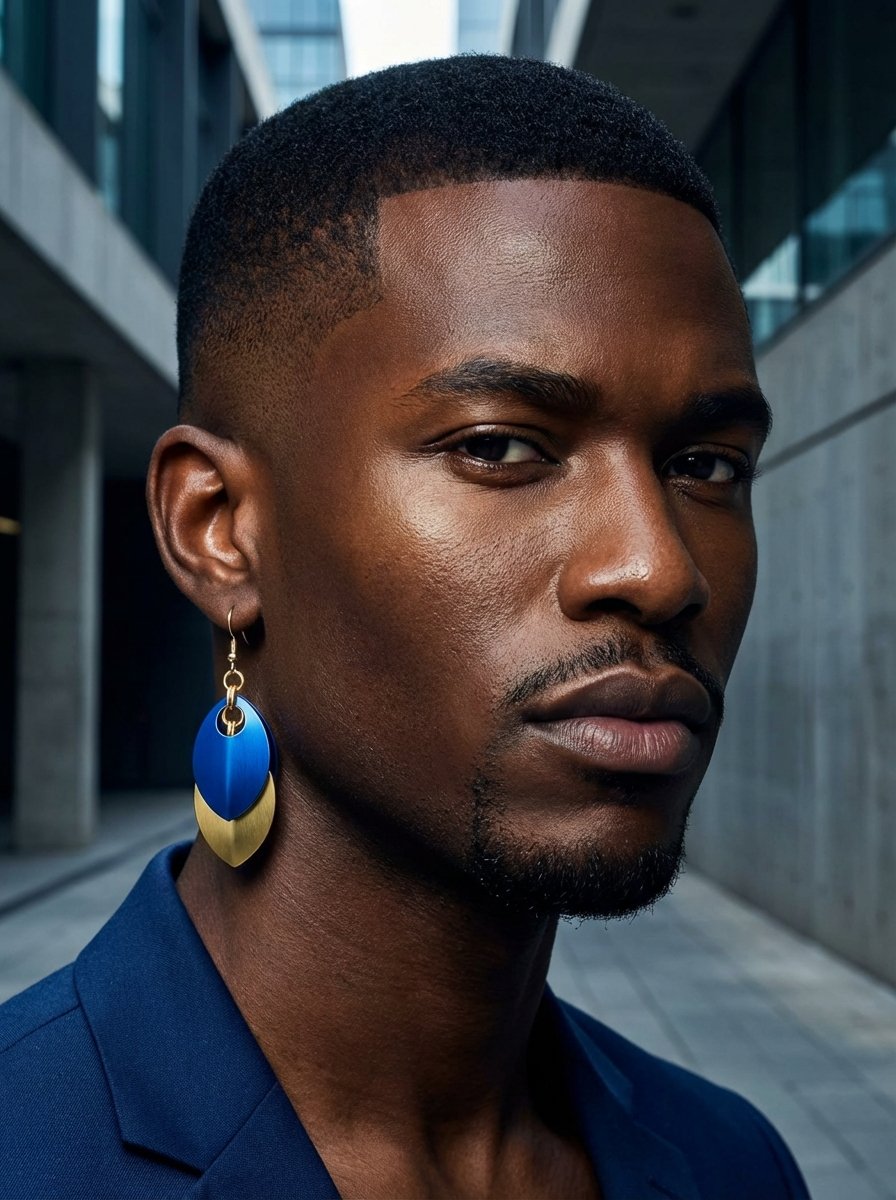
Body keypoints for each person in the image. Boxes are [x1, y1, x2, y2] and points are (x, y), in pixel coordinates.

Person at [0, 56, 810, 1199]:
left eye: (704, 465)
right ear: (219, 529)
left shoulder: (732, 1165)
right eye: (498, 446)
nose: (658, 567)